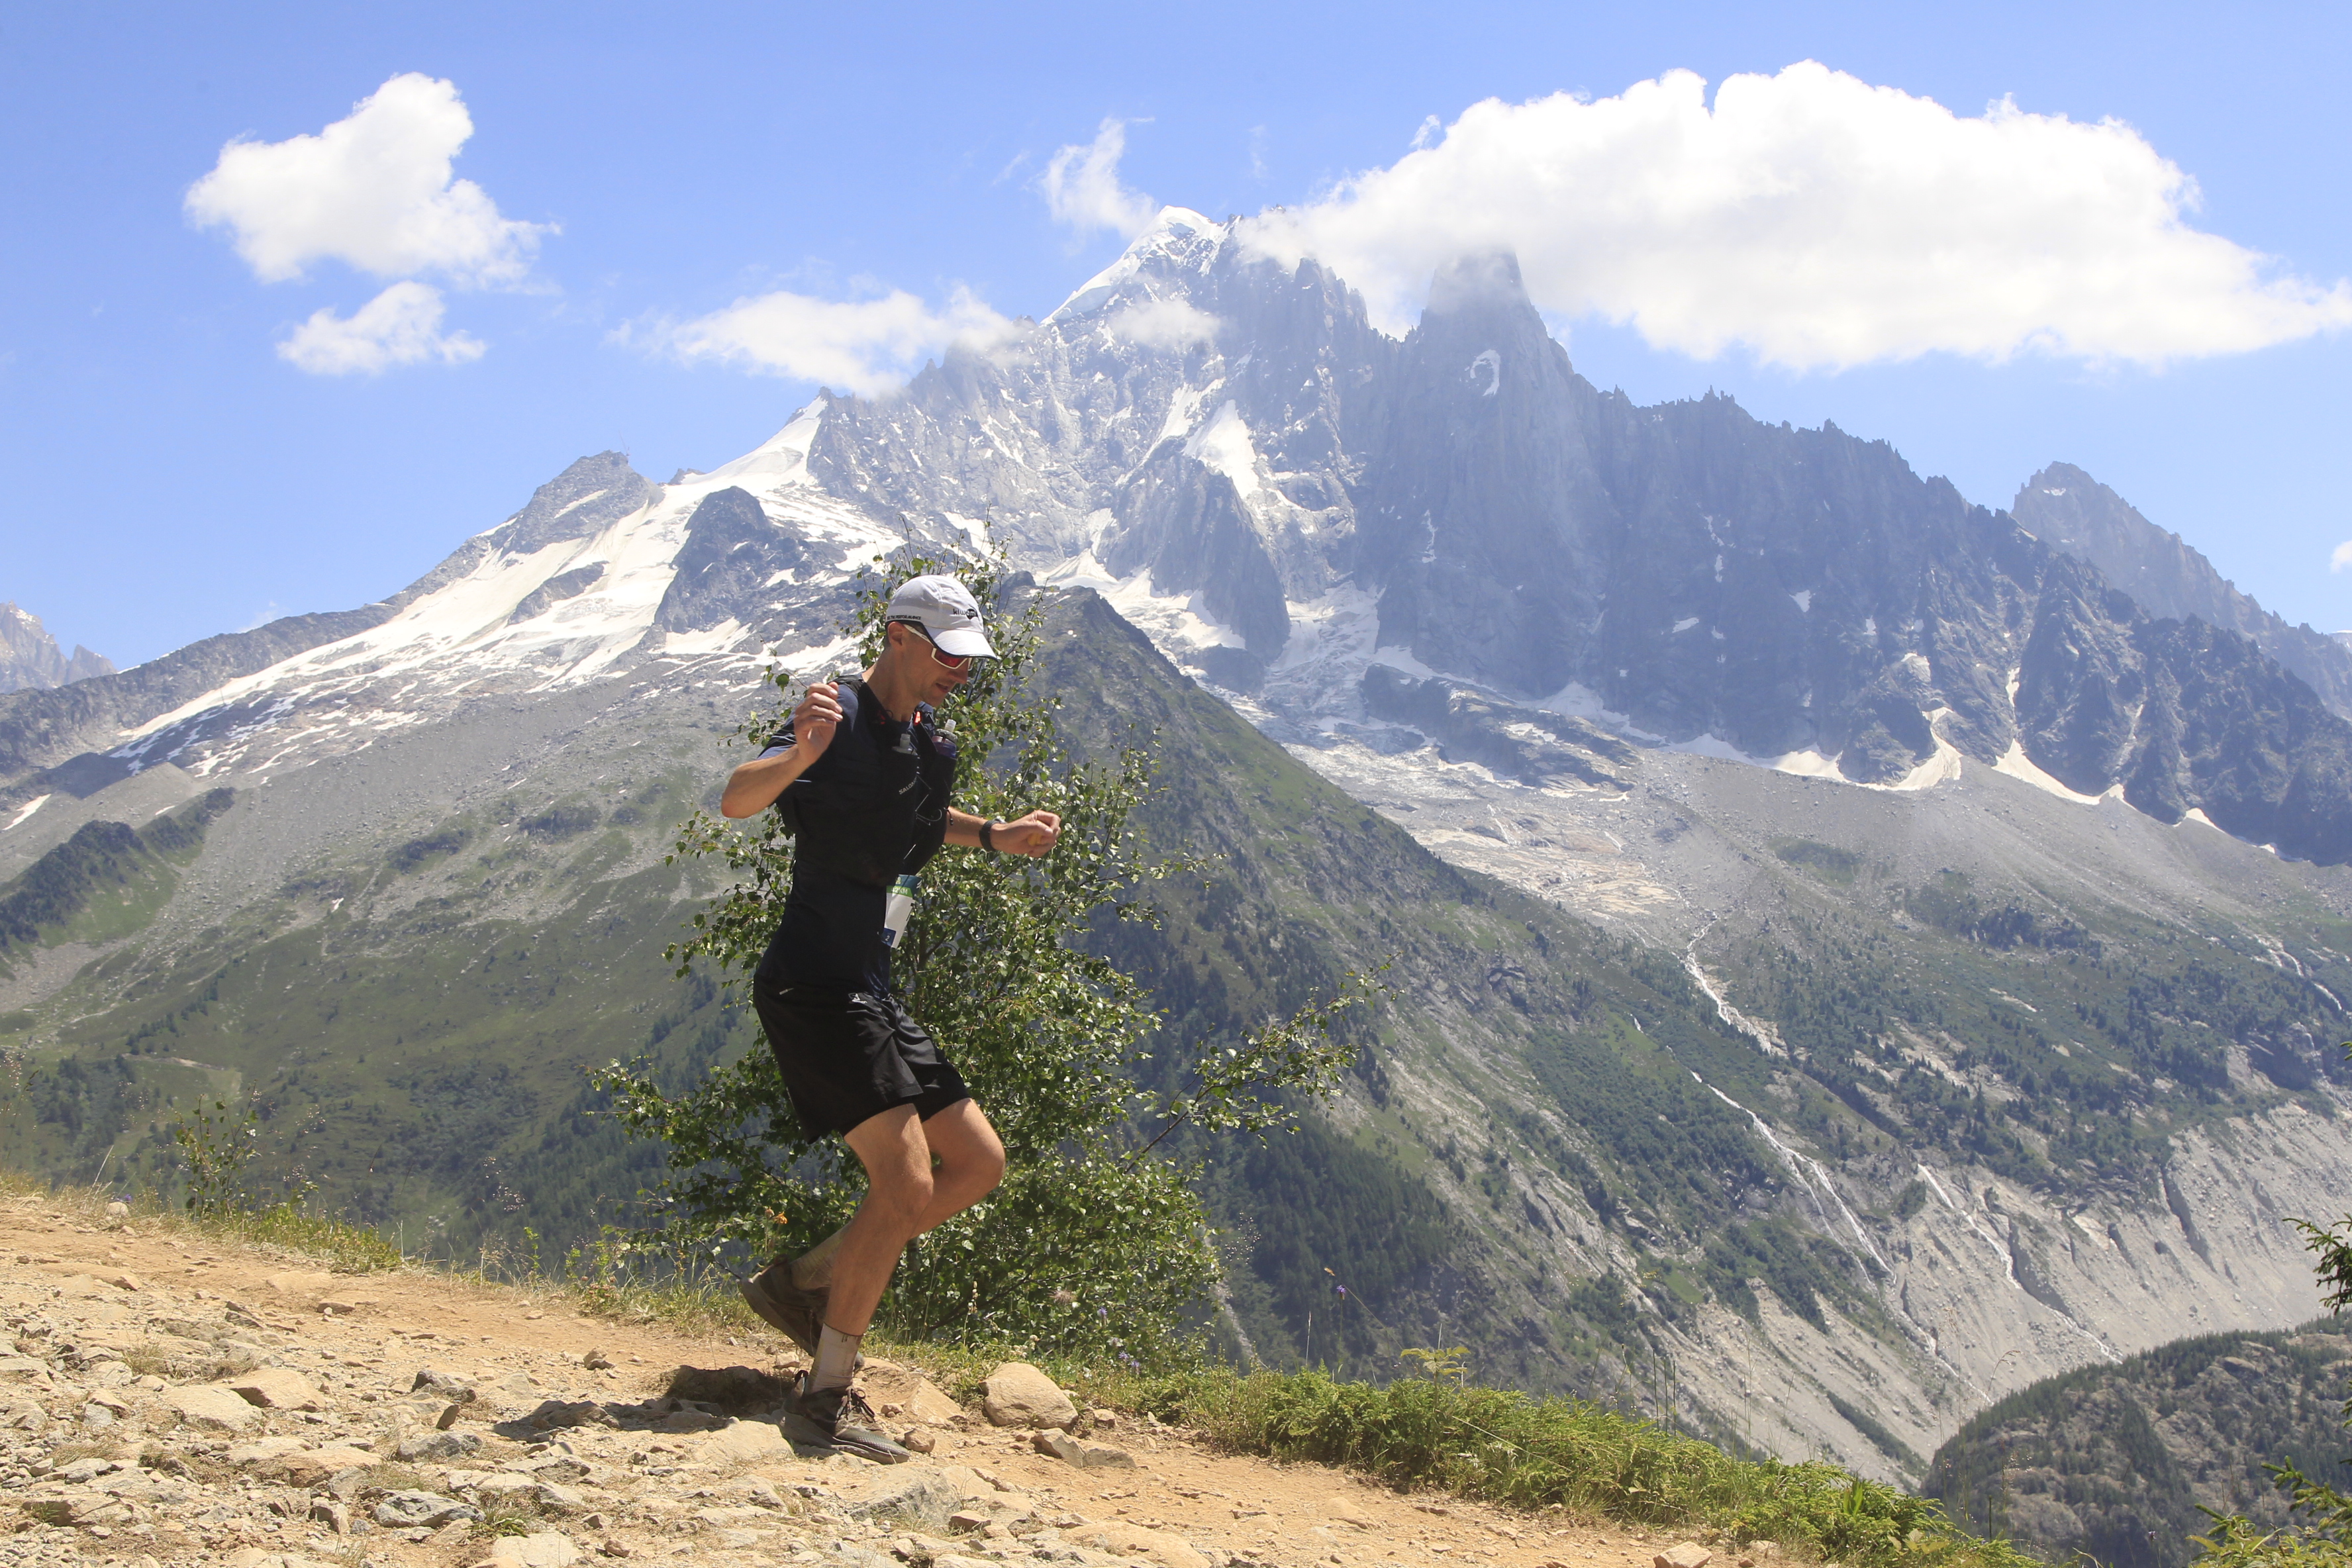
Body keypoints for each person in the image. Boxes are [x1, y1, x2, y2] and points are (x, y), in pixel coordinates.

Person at [718, 574, 1060, 1462]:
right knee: (905, 1187)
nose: (961, 671)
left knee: (978, 1163)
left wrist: (993, 834)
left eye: (971, 659)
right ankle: (823, 1398)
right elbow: (737, 797)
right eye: (949, 653)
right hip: (812, 987)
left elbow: (916, 822)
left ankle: (802, 1284)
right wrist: (798, 755)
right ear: (898, 636)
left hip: (871, 987)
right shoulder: (830, 716)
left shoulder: (930, 743)